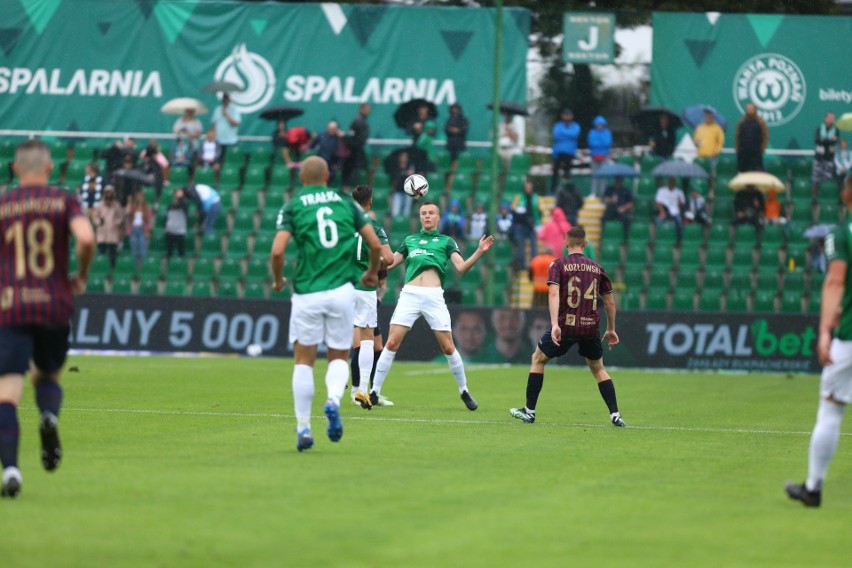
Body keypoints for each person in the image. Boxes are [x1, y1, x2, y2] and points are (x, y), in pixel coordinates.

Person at [0, 139, 96, 498]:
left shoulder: (4, 203)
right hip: (54, 304)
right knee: (46, 375)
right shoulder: (64, 199)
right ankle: (49, 417)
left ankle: (11, 470)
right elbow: (85, 238)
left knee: (7, 393)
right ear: (49, 168)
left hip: (10, 305)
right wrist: (80, 274)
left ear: (14, 168)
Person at [270, 156, 382, 451]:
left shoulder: (293, 205)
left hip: (307, 291)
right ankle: (333, 401)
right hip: (342, 291)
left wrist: (278, 279)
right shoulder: (346, 204)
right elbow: (374, 245)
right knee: (337, 356)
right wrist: (371, 273)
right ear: (328, 175)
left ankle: (304, 429)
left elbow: (278, 250)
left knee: (304, 361)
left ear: (303, 179)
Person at [368, 201, 494, 410]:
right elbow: (388, 264)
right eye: (423, 213)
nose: (427, 216)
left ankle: (464, 390)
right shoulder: (410, 240)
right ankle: (375, 391)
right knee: (391, 343)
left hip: (434, 296)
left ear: (438, 217)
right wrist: (371, 257)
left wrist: (480, 251)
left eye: (431, 213)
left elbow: (461, 268)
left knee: (448, 346)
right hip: (409, 294)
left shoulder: (446, 241)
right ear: (420, 217)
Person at [509, 226, 625, 427]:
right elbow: (609, 302)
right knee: (598, 368)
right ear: (585, 244)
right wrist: (611, 329)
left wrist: (554, 324)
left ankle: (529, 411)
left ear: (565, 243)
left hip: (566, 325)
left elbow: (553, 294)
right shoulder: (598, 268)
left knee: (537, 359)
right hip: (590, 327)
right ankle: (615, 414)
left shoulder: (558, 265)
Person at [786, 176, 852, 507]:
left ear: (845, 194)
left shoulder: (842, 234)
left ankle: (813, 488)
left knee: (831, 411)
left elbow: (835, 280)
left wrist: (825, 329)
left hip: (849, 339)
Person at [349, 185, 394, 409]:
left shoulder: (342, 223)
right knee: (367, 337)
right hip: (365, 285)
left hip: (342, 285)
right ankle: (362, 391)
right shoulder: (373, 226)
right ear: (370, 202)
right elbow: (389, 258)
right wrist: (376, 262)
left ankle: (340, 393)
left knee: (343, 339)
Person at [93, 185, 125, 270]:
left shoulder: (116, 205)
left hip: (112, 232)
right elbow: (95, 217)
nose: (108, 194)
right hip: (102, 231)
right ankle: (101, 268)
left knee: (112, 253)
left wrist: (116, 222)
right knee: (101, 252)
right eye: (107, 192)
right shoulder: (100, 205)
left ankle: (112, 269)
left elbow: (120, 217)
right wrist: (99, 222)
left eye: (110, 192)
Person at [512, 179, 541, 270]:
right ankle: (521, 266)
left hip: (532, 225)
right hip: (521, 225)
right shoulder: (519, 197)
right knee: (521, 247)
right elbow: (513, 208)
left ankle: (534, 265)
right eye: (527, 187)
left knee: (534, 247)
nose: (529, 189)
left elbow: (540, 210)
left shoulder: (536, 197)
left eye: (530, 188)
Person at [342, 103, 371, 191]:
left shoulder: (361, 120)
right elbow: (354, 138)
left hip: (355, 151)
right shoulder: (358, 120)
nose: (369, 111)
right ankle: (351, 192)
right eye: (367, 109)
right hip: (355, 153)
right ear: (362, 109)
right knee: (353, 173)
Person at [551, 109, 580, 192]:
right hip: (558, 152)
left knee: (567, 172)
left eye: (568, 115)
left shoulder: (575, 126)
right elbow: (556, 135)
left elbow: (574, 134)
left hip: (569, 152)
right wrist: (568, 135)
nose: (567, 116)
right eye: (565, 114)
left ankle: (567, 189)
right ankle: (554, 189)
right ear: (562, 116)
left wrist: (563, 134)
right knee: (555, 172)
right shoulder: (558, 126)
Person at [735, 102, 769, 172]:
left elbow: (765, 136)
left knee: (757, 172)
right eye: (748, 109)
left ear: (755, 110)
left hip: (756, 153)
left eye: (751, 109)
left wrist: (762, 148)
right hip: (743, 152)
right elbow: (737, 136)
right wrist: (737, 148)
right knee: (742, 172)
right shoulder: (741, 122)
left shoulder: (761, 122)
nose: (749, 110)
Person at [126, 191, 154, 274]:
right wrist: (129, 202)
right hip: (134, 229)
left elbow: (150, 220)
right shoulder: (132, 207)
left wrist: (149, 230)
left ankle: (142, 269)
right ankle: (134, 269)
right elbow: (127, 213)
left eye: (141, 196)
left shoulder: (147, 208)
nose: (140, 198)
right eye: (138, 196)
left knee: (142, 249)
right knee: (134, 248)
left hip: (142, 230)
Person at [812, 112, 839, 197]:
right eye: (830, 117)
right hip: (819, 157)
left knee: (827, 179)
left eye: (833, 118)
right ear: (825, 118)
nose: (832, 119)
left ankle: (825, 197)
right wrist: (829, 140)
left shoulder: (836, 130)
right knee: (815, 179)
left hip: (829, 158)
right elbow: (817, 141)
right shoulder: (819, 128)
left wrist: (824, 140)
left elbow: (834, 141)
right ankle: (814, 198)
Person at [444, 102, 469, 190]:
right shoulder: (449, 119)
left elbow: (463, 130)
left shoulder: (463, 119)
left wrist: (456, 130)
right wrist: (454, 130)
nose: (454, 110)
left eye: (456, 108)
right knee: (448, 165)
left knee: (458, 164)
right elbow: (446, 129)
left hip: (459, 146)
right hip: (451, 146)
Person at [693, 109, 725, 178]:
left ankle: (711, 189)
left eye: (709, 116)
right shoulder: (699, 127)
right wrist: (696, 142)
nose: (707, 117)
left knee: (712, 176)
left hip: (711, 157)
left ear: (712, 117)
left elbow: (721, 142)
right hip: (700, 157)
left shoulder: (717, 128)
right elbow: (695, 141)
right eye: (706, 115)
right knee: (699, 175)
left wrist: (716, 152)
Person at [601, 176, 634, 242]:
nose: (618, 182)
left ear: (622, 182)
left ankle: (625, 239)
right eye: (617, 181)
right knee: (603, 218)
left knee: (627, 219)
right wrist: (611, 200)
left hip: (622, 212)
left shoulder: (626, 190)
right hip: (611, 210)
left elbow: (631, 204)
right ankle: (603, 237)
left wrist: (623, 208)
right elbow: (604, 200)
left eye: (620, 181)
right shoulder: (609, 189)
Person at [211, 93, 241, 163]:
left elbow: (236, 124)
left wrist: (226, 115)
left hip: (230, 141)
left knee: (230, 162)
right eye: (224, 99)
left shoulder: (234, 110)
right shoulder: (217, 110)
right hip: (218, 141)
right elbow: (214, 124)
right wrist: (213, 137)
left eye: (227, 99)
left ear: (229, 100)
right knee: (218, 162)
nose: (225, 101)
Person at [654, 176, 685, 242]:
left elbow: (682, 205)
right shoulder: (661, 190)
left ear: (674, 182)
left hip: (675, 212)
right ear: (667, 182)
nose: (671, 183)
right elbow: (658, 203)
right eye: (669, 181)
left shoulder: (679, 192)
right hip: (665, 211)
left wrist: (680, 202)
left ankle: (678, 241)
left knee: (679, 222)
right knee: (658, 221)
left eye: (672, 181)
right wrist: (662, 211)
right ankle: (657, 240)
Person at [587, 115, 613, 196]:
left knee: (604, 175)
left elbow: (607, 143)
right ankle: (593, 193)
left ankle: (603, 193)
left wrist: (598, 144)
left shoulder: (607, 133)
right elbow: (591, 143)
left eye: (601, 124)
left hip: (604, 156)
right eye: (598, 124)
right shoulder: (592, 132)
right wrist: (600, 144)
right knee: (594, 175)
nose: (599, 126)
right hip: (594, 156)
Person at [389, 150, 415, 219]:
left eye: (405, 157)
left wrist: (410, 174)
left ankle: (405, 228)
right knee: (395, 212)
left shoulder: (410, 167)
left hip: (408, 192)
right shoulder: (396, 167)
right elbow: (394, 179)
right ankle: (395, 227)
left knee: (406, 213)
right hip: (398, 191)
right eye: (402, 156)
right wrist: (404, 174)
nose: (404, 158)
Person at [165, 188, 189, 259]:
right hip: (171, 228)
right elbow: (167, 216)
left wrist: (178, 201)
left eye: (181, 192)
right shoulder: (170, 205)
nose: (180, 193)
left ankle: (181, 264)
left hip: (180, 229)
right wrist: (166, 226)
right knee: (170, 248)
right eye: (178, 192)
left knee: (181, 249)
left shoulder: (184, 203)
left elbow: (182, 206)